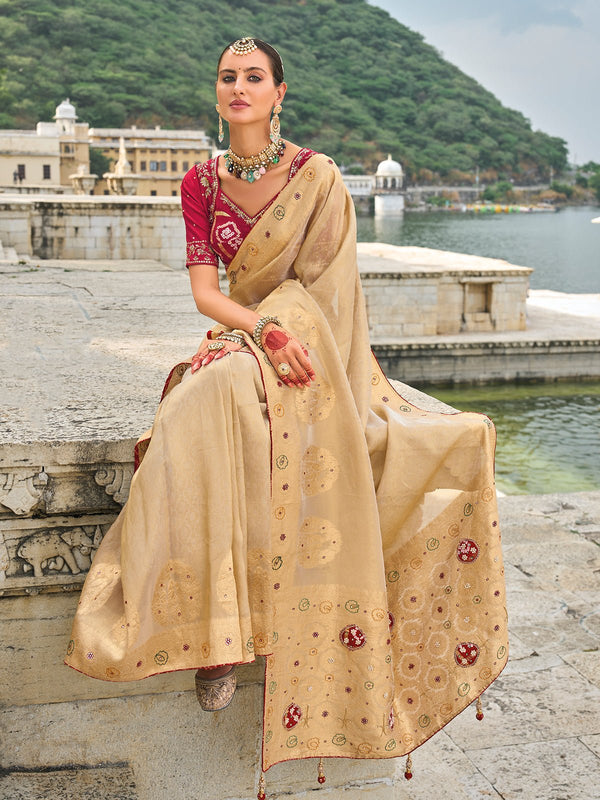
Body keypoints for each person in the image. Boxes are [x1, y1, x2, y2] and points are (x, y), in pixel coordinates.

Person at [66, 37, 508, 793]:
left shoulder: (318, 177)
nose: (238, 88)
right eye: (227, 78)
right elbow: (206, 294)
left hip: (312, 343)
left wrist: (286, 335)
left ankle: (257, 622)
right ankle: (218, 630)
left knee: (241, 412)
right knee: (191, 411)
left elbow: (327, 293)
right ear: (218, 94)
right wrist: (259, 332)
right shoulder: (200, 181)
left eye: (253, 77)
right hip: (245, 334)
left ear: (279, 93)